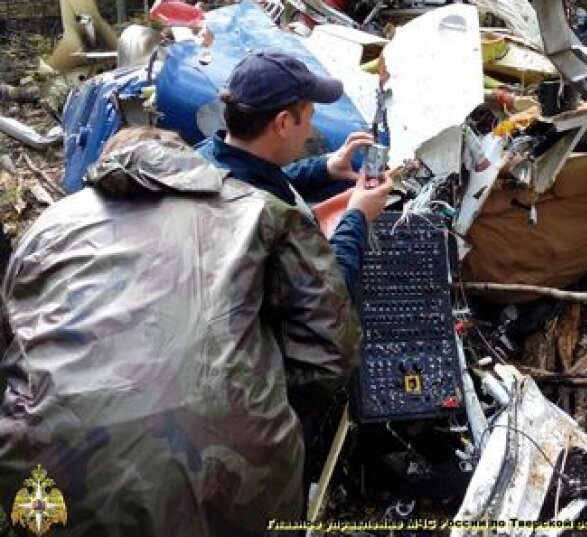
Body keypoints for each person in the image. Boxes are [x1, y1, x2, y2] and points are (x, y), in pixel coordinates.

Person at [0, 120, 375, 535]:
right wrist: (253, 392)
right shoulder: (258, 210)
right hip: (231, 482)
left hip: (46, 478)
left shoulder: (49, 223)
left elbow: (16, 339)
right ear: (187, 163)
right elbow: (332, 350)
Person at [194, 49, 392, 303]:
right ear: (283, 123)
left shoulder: (208, 156)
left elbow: (260, 180)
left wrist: (325, 167)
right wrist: (357, 217)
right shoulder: (259, 220)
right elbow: (331, 299)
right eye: (310, 118)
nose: (310, 131)